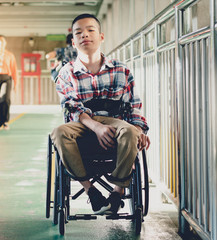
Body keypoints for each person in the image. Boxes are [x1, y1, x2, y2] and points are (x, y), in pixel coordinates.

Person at [50, 14, 151, 215]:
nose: (84, 35)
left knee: (131, 133)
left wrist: (139, 129)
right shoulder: (66, 73)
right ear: (73, 41)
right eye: (78, 32)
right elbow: (72, 107)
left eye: (90, 30)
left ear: (101, 36)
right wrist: (96, 127)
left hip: (115, 122)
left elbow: (134, 104)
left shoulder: (121, 70)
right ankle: (91, 190)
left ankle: (117, 191)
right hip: (84, 124)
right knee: (59, 132)